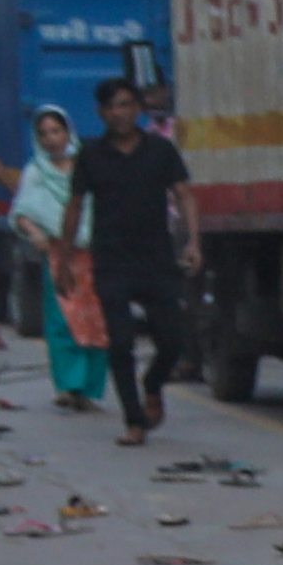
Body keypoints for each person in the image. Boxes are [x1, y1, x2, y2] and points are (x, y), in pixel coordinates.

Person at [67, 76, 188, 441]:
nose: (118, 113)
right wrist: (65, 258)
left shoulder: (161, 150)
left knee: (173, 340)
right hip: (111, 261)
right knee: (120, 343)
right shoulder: (90, 154)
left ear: (138, 108)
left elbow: (184, 195)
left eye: (124, 105)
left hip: (156, 259)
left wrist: (193, 242)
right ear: (100, 113)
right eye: (110, 107)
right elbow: (75, 206)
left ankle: (153, 382)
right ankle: (134, 420)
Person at [19, 103, 106, 413]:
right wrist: (36, 233)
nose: (51, 139)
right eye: (44, 134)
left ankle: (89, 389)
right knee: (62, 320)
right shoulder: (35, 172)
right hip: (60, 256)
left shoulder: (88, 166)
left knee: (96, 320)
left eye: (56, 131)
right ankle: (69, 386)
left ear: (68, 132)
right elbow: (22, 212)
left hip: (94, 253)